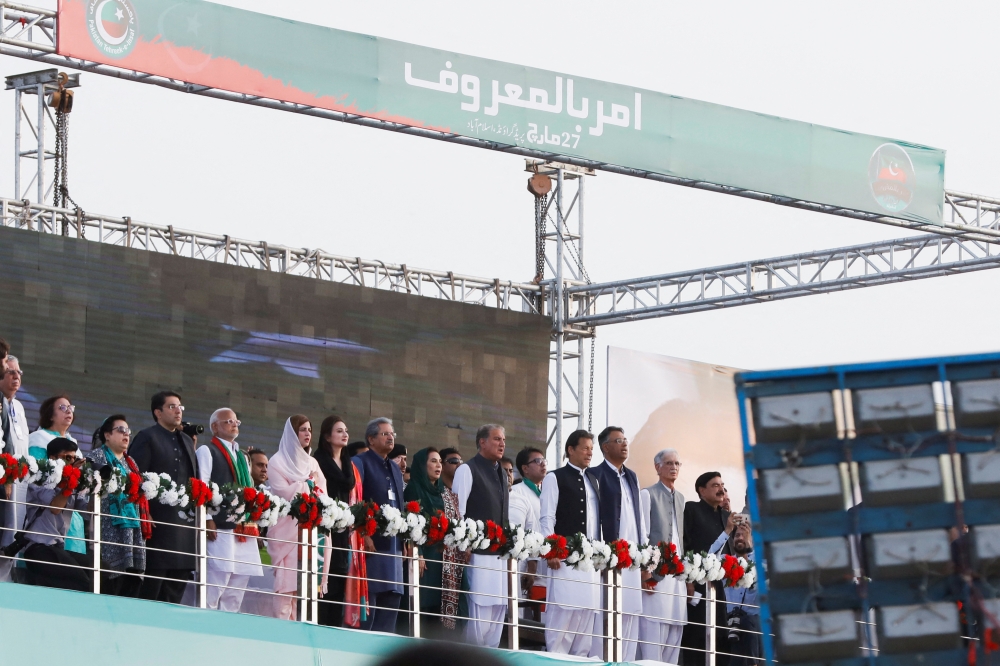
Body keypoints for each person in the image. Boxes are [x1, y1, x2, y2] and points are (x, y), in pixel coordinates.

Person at [127, 391, 200, 605]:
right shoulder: (147, 436)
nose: (178, 410)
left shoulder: (187, 440)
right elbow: (135, 478)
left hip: (184, 530)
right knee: (151, 590)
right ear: (157, 412)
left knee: (175, 590)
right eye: (171, 406)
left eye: (180, 406)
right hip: (157, 525)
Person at [540, 429, 603, 657]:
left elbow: (597, 521)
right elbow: (547, 517)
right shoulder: (554, 477)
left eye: (591, 449)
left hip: (590, 561)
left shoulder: (593, 479)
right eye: (585, 448)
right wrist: (551, 551)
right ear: (570, 450)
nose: (589, 453)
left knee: (586, 618)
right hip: (564, 558)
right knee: (563, 616)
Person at [196, 408, 263, 612]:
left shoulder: (242, 456)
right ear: (215, 427)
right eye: (228, 421)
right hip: (220, 524)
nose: (234, 424)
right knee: (217, 578)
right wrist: (206, 517)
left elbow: (249, 488)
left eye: (236, 421)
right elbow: (201, 485)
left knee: (238, 581)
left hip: (244, 526)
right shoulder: (207, 451)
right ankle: (204, 621)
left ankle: (227, 624)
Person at [266, 415, 329, 620]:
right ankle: (284, 635)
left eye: (310, 429)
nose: (308, 433)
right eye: (302, 429)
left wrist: (309, 487)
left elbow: (323, 495)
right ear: (292, 433)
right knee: (286, 592)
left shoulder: (312, 462)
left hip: (311, 535)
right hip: (286, 531)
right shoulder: (277, 461)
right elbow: (283, 493)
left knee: (308, 593)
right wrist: (307, 485)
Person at [453, 424, 510, 648]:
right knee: (479, 610)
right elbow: (459, 513)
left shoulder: (501, 472)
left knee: (498, 609)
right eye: (496, 439)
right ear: (482, 442)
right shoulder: (467, 470)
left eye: (503, 439)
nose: (502, 443)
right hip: (476, 554)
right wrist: (464, 545)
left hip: (499, 556)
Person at [591, 426, 645, 661]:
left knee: (631, 612)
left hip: (632, 555)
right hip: (610, 555)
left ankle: (626, 661)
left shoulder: (632, 475)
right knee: (607, 611)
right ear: (605, 447)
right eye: (619, 440)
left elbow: (639, 517)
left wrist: (643, 552)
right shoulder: (595, 475)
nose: (625, 444)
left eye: (625, 440)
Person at [86, 415, 149, 597]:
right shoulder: (96, 456)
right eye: (120, 430)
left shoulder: (131, 462)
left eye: (128, 431)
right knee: (110, 581)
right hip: (108, 525)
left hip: (132, 526)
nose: (126, 434)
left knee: (131, 581)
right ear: (107, 435)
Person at [354, 417, 406, 633]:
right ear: (371, 439)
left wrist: (404, 541)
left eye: (392, 433)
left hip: (393, 547)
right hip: (372, 545)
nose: (390, 437)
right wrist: (363, 533)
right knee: (371, 600)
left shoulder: (394, 468)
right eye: (385, 434)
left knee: (392, 599)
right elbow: (355, 502)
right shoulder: (360, 462)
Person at [21, 437, 92, 591]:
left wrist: (95, 488)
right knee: (82, 581)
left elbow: (86, 511)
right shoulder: (40, 478)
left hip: (57, 547)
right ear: (53, 458)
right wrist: (70, 482)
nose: (72, 462)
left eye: (75, 458)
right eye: (67, 458)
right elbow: (55, 507)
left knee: (100, 570)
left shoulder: (72, 481)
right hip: (38, 547)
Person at [640, 449, 688, 664]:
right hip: (656, 573)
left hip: (677, 575)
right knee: (653, 628)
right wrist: (645, 570)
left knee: (675, 627)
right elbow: (643, 535)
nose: (673, 467)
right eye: (668, 463)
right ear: (657, 467)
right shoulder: (647, 494)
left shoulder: (681, 498)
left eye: (677, 463)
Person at [681, 471, 731, 666]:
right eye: (715, 485)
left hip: (718, 586)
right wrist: (688, 580)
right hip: (697, 585)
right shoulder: (692, 509)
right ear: (702, 490)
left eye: (722, 485)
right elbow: (687, 545)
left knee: (720, 634)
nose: (721, 489)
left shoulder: (725, 515)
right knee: (698, 634)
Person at [28, 395, 86, 556]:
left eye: (70, 408)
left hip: (71, 514)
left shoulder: (72, 442)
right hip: (48, 514)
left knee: (77, 568)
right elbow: (39, 477)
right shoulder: (37, 439)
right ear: (50, 415)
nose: (69, 411)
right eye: (62, 408)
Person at [403, 447, 452, 636]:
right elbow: (411, 522)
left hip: (440, 555)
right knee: (422, 601)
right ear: (423, 465)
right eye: (433, 461)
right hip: (424, 554)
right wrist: (419, 553)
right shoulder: (414, 487)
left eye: (440, 461)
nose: (438, 465)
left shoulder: (441, 491)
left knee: (436, 603)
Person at [313, 415, 355, 627]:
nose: (345, 434)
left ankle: (334, 627)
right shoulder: (318, 460)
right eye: (339, 431)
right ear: (327, 436)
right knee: (325, 576)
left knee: (340, 576)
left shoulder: (347, 463)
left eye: (346, 430)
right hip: (324, 528)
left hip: (343, 529)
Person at [709, 521, 760, 665]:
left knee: (748, 623)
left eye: (745, 535)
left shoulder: (759, 560)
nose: (740, 538)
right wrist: (727, 530)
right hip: (731, 623)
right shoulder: (727, 561)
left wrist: (750, 549)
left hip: (754, 624)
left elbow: (763, 573)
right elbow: (709, 558)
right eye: (737, 535)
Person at [509, 446, 546, 620]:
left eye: (544, 461)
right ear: (525, 468)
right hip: (525, 567)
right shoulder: (517, 493)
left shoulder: (548, 492)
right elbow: (522, 534)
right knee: (523, 616)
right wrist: (531, 567)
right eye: (538, 461)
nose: (543, 465)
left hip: (547, 567)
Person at [0, 357, 29, 565]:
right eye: (10, 371)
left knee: (15, 535)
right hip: (4, 478)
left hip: (19, 482)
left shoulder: (19, 407)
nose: (15, 376)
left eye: (19, 372)